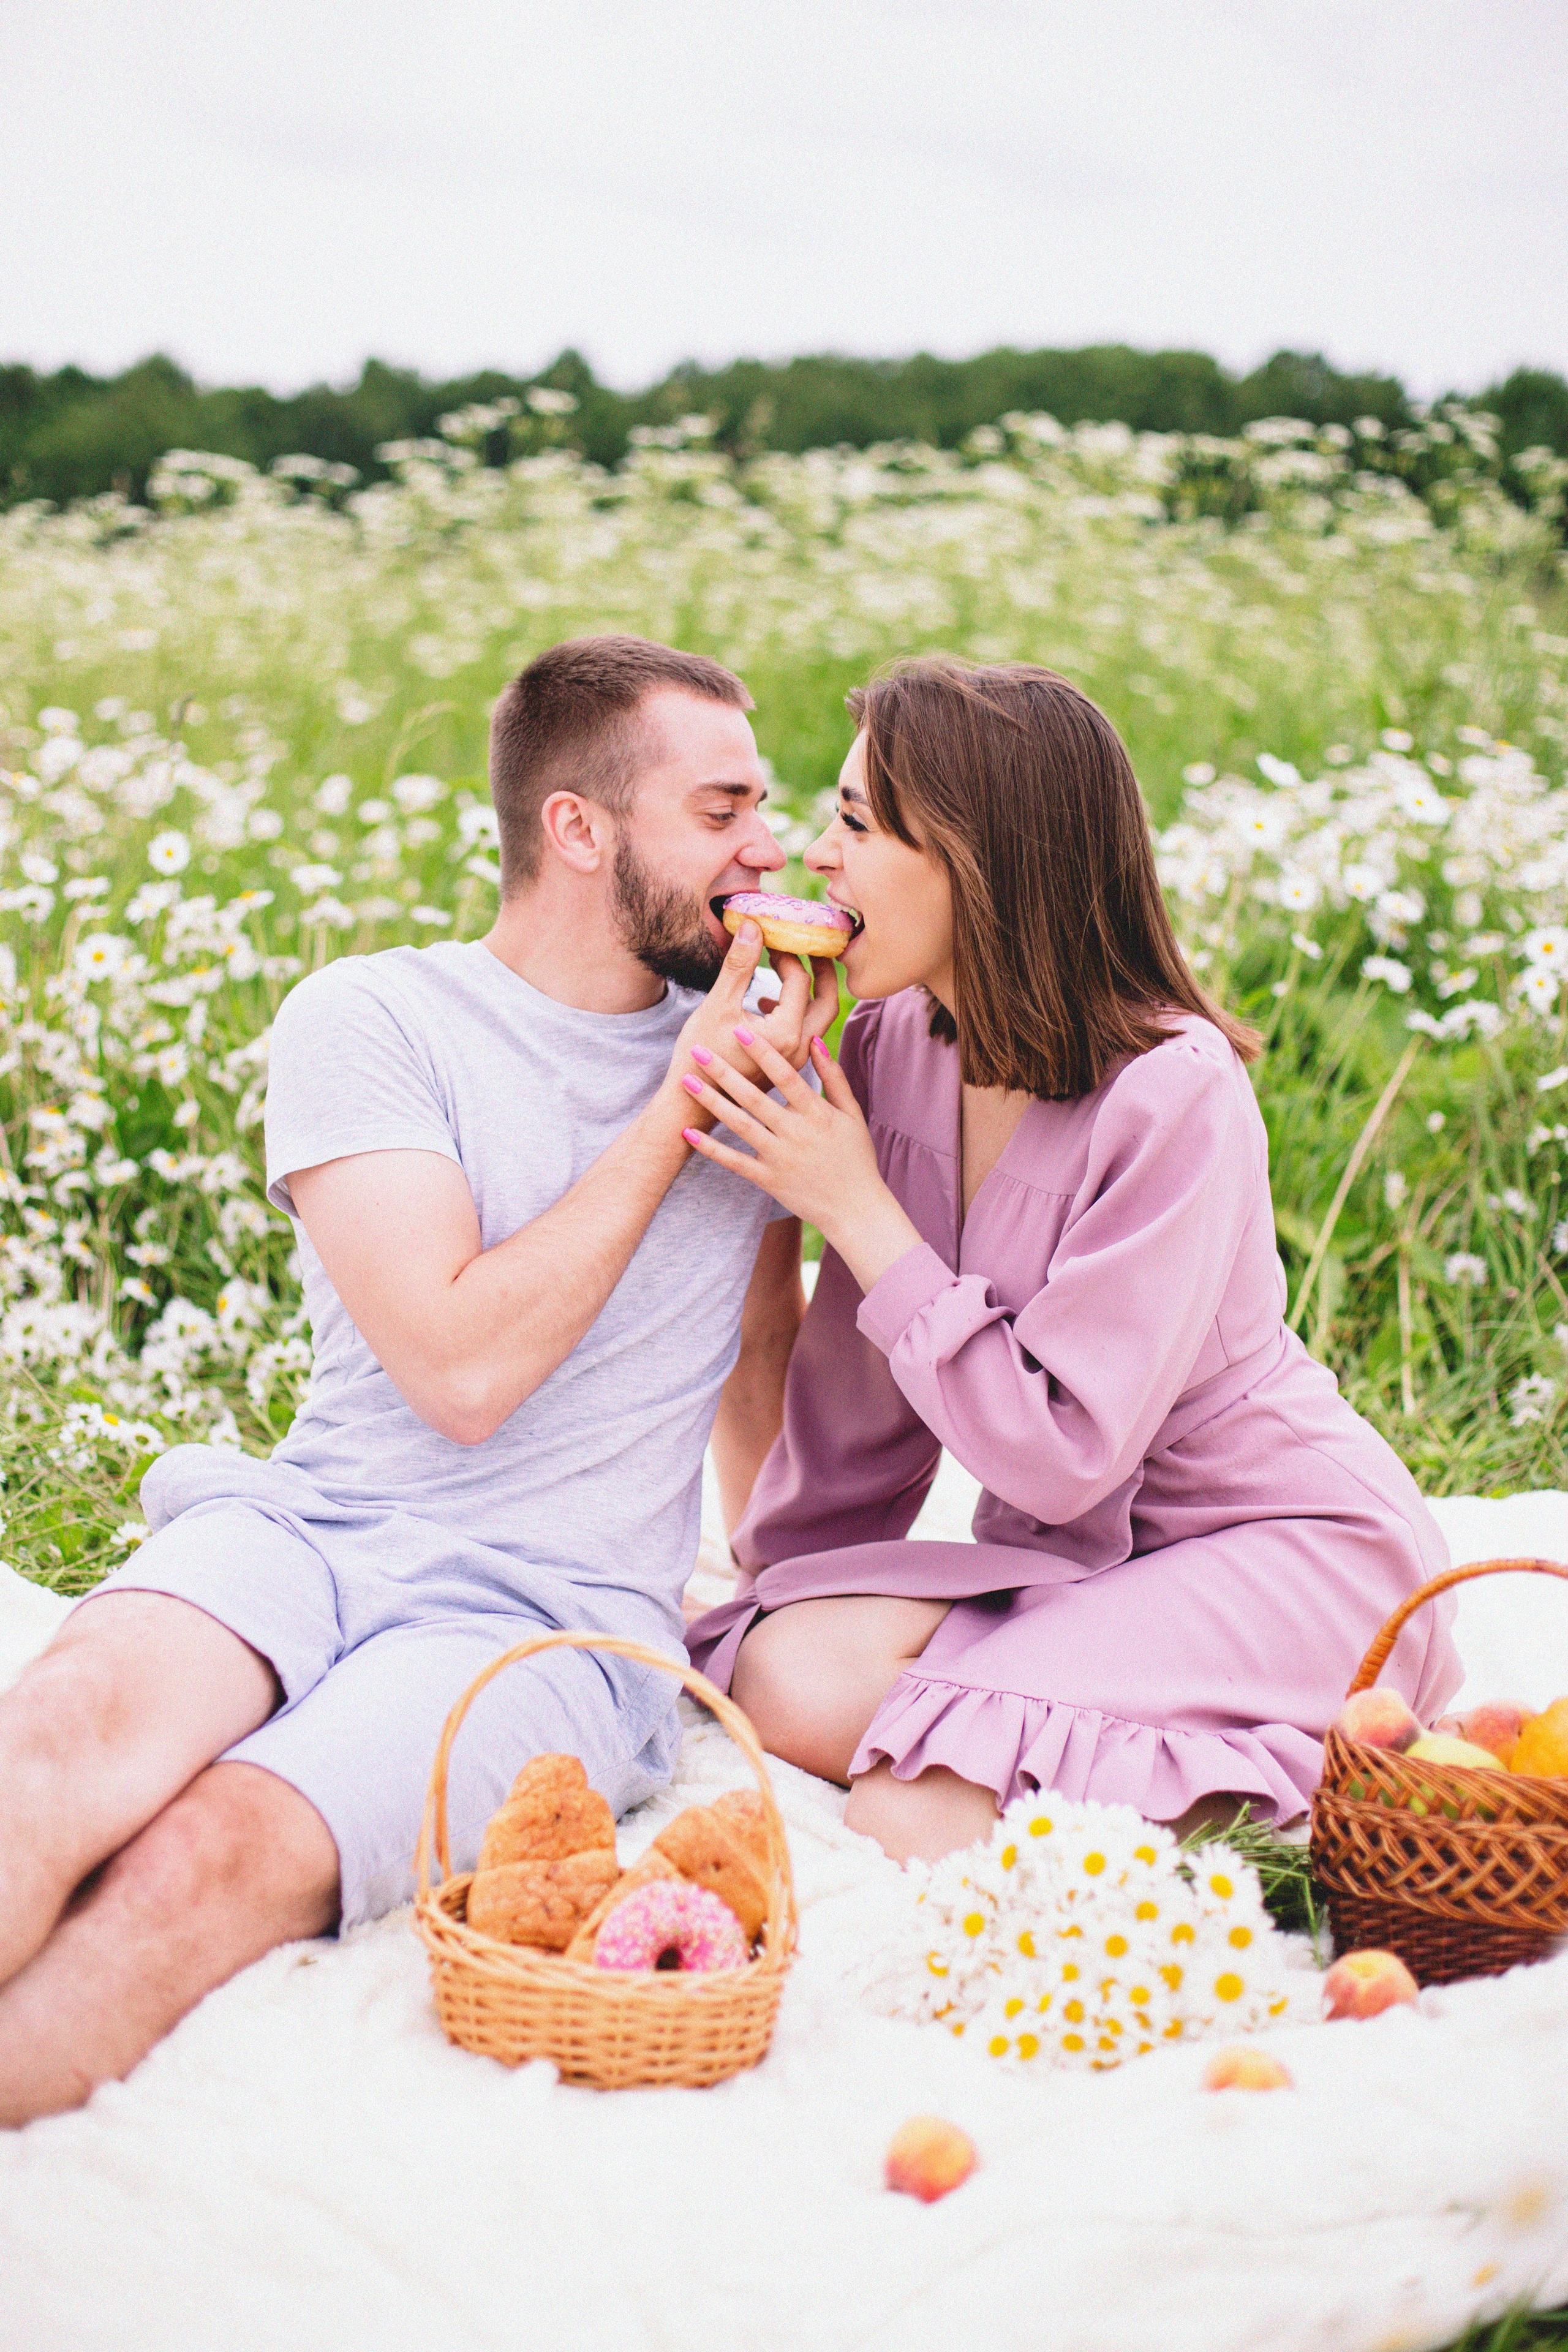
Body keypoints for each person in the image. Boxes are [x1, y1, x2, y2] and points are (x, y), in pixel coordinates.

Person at [0, 635, 837, 2124]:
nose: (768, 848)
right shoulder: (373, 1018)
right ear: (578, 829)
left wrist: (770, 1604)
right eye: (719, 813)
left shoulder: (764, 1064)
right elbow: (458, 1369)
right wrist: (679, 1106)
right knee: (57, 1738)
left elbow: (754, 1357)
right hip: (308, 1531)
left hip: (543, 1623)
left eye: (764, 806)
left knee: (210, 1853)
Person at [681, 657, 1461, 1862]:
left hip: (1278, 1547)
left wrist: (857, 1208)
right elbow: (855, 1392)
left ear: (976, 861)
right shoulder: (891, 1042)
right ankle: (1088, 1714)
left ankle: (1343, 1780)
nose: (812, 858)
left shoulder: (1175, 1093)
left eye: (851, 823)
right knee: (780, 1672)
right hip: (1078, 1568)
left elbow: (1058, 1462)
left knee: (913, 1806)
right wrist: (783, 1588)